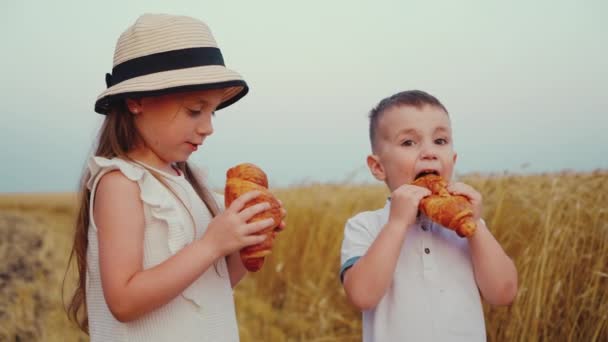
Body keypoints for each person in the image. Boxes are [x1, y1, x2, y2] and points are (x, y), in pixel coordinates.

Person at [64, 13, 285, 341]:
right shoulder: (121, 183)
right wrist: (211, 245)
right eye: (195, 110)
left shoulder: (191, 182)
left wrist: (244, 240)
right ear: (137, 101)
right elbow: (123, 301)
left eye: (212, 111)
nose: (208, 127)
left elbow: (214, 283)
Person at [340, 90, 518, 341]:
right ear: (378, 167)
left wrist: (476, 225)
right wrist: (398, 224)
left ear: (452, 161)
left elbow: (504, 293)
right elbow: (361, 295)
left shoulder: (466, 227)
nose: (429, 152)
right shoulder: (366, 226)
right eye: (408, 143)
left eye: (440, 141)